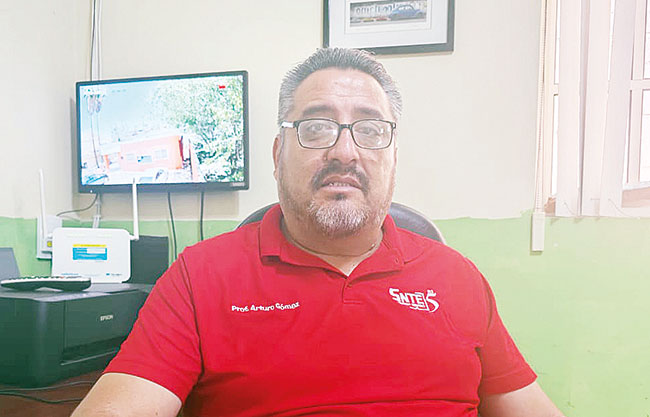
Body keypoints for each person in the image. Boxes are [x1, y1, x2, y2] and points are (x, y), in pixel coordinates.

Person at [72, 48, 565, 417]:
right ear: (277, 155)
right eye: (315, 128)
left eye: (370, 130)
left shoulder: (457, 276)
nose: (345, 152)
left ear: (393, 159)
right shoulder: (199, 277)